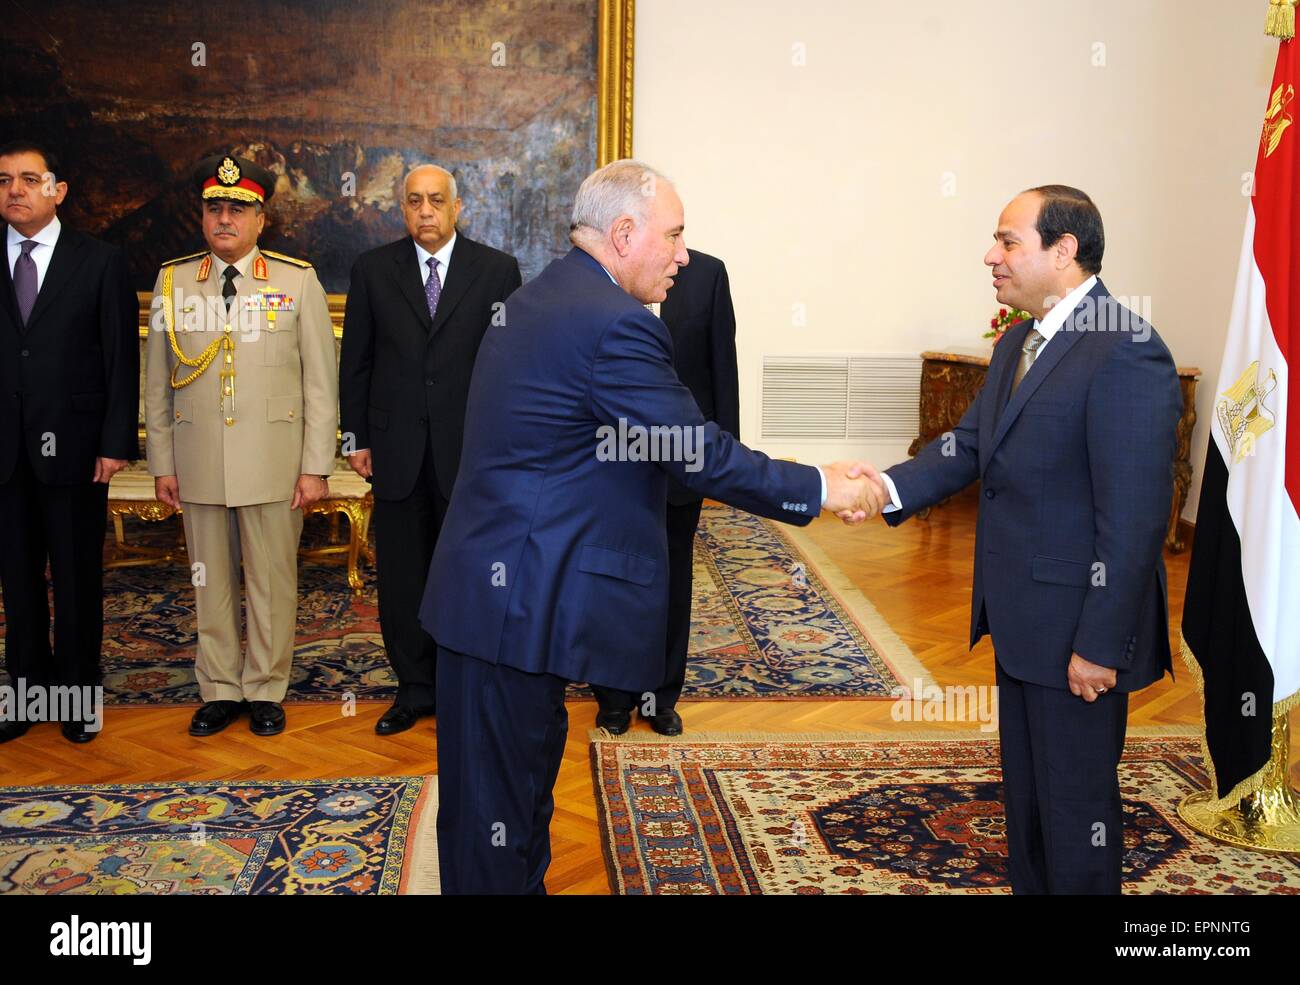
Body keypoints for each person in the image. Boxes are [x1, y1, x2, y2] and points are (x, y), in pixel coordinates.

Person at [419, 159, 884, 894]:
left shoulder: (546, 292)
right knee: (496, 829)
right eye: (674, 235)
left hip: (499, 595)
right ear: (625, 232)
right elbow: (694, 451)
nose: (683, 255)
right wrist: (821, 486)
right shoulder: (614, 325)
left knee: (502, 812)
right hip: (512, 603)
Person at [874, 185, 1181, 894]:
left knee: (1076, 814)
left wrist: (1101, 644)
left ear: (1064, 250)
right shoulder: (1022, 338)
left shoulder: (1126, 349)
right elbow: (966, 447)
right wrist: (882, 491)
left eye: (1008, 241)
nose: (991, 255)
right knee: (1030, 807)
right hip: (1022, 622)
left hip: (1079, 628)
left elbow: (1134, 516)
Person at [144, 154, 338, 737]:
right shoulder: (174, 281)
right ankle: (220, 688)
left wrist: (315, 467)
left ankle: (266, 687)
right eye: (214, 209)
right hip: (199, 456)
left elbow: (319, 384)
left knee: (272, 579)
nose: (224, 219)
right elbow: (155, 381)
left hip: (275, 463)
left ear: (261, 220)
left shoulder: (295, 279)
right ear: (202, 216)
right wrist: (161, 463)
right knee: (209, 578)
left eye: (238, 209)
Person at [339, 164, 522, 736]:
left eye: (436, 201)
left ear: (457, 207)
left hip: (471, 455)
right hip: (395, 453)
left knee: (470, 575)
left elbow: (513, 366)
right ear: (403, 208)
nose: (425, 211)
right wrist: (356, 436)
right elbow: (357, 363)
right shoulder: (374, 271)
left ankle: (466, 687)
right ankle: (414, 688)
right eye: (414, 201)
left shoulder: (496, 272)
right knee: (403, 576)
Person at [0, 140, 139, 744]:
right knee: (17, 577)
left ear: (58, 190)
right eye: (4, 180)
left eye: (29, 179)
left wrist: (114, 443)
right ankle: (27, 690)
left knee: (78, 575)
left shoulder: (100, 261)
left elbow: (120, 359)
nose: (15, 190)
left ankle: (79, 692)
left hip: (79, 449)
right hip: (4, 451)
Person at [592, 248, 739, 736]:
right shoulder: (599, 275)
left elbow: (723, 366)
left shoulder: (707, 275)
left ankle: (660, 697)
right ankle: (613, 697)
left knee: (674, 578)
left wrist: (725, 459)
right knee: (610, 577)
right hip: (610, 464)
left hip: (684, 462)